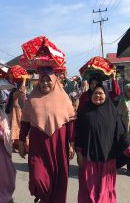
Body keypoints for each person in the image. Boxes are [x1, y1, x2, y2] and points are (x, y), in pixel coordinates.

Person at [18, 67, 76, 203]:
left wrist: (72, 144)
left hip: (58, 144)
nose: (45, 83)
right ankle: (44, 198)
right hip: (38, 145)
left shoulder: (64, 98)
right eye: (42, 80)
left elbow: (71, 122)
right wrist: (21, 142)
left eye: (48, 80)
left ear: (55, 81)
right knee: (38, 178)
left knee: (58, 178)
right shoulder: (32, 97)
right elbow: (25, 121)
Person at [75, 83, 130, 203]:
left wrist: (129, 148)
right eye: (95, 93)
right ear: (91, 95)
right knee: (88, 192)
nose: (97, 95)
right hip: (88, 159)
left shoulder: (113, 113)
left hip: (107, 160)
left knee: (105, 193)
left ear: (106, 96)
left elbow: (122, 133)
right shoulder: (84, 112)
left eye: (101, 93)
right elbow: (79, 134)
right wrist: (78, 152)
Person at [5, 82, 27, 151]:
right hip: (17, 112)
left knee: (15, 128)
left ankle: (15, 145)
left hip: (15, 112)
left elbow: (7, 103)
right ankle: (17, 145)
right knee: (18, 128)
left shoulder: (13, 92)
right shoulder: (16, 92)